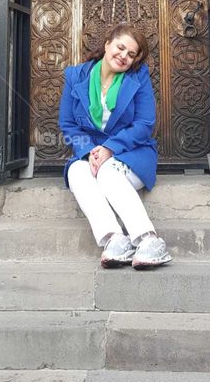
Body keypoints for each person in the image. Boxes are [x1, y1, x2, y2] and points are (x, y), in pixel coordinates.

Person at [58, 22, 171, 270]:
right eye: (120, 48)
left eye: (131, 55)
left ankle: (149, 241)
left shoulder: (137, 78)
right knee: (77, 171)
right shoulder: (76, 76)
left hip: (133, 153)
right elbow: (68, 125)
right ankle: (115, 240)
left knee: (108, 172)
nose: (124, 57)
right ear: (108, 43)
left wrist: (110, 148)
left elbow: (144, 124)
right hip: (92, 152)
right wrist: (89, 152)